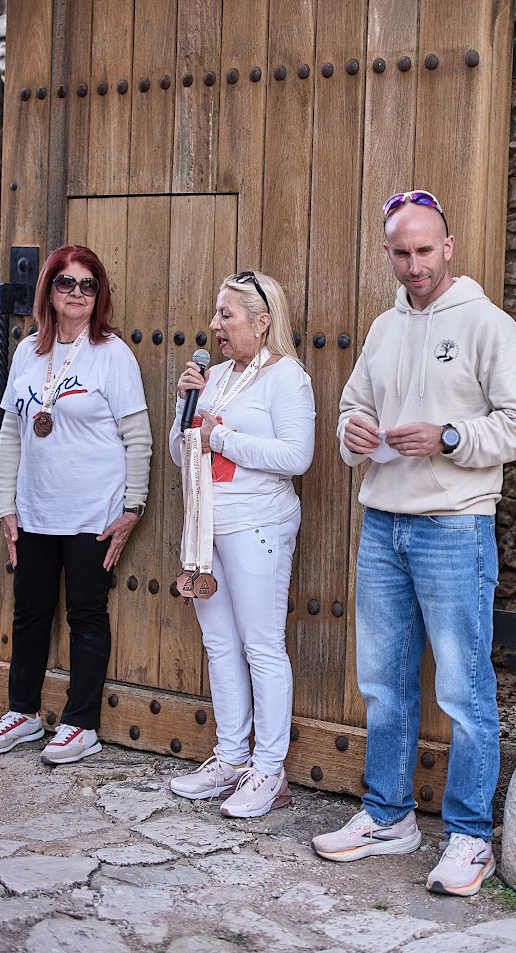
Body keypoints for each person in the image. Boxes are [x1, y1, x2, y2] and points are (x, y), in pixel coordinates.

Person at [311, 190, 516, 896]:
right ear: (387, 253)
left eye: (423, 250)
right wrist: (351, 432)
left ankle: (469, 836)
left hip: (454, 526)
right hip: (382, 524)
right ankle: (388, 816)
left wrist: (449, 436)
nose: (413, 264)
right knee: (383, 683)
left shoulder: (487, 324)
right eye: (400, 252)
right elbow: (353, 407)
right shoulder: (383, 327)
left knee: (463, 688)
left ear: (447, 247)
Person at [0, 245, 152, 765]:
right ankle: (24, 712)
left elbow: (138, 437)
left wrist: (132, 507)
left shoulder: (112, 354)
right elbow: (13, 432)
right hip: (35, 508)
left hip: (92, 512)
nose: (77, 293)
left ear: (99, 295)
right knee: (30, 613)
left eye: (88, 284)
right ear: (48, 290)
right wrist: (5, 505)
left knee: (86, 614)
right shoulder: (28, 352)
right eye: (65, 282)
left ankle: (81, 724)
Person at [168, 270, 315, 818]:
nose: (214, 325)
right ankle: (230, 758)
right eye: (216, 313)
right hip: (206, 528)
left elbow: (296, 456)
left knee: (261, 644)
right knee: (220, 643)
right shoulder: (215, 377)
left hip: (259, 524)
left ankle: (269, 770)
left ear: (262, 321)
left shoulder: (287, 378)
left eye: (225, 315)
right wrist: (185, 409)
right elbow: (183, 453)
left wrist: (220, 436)